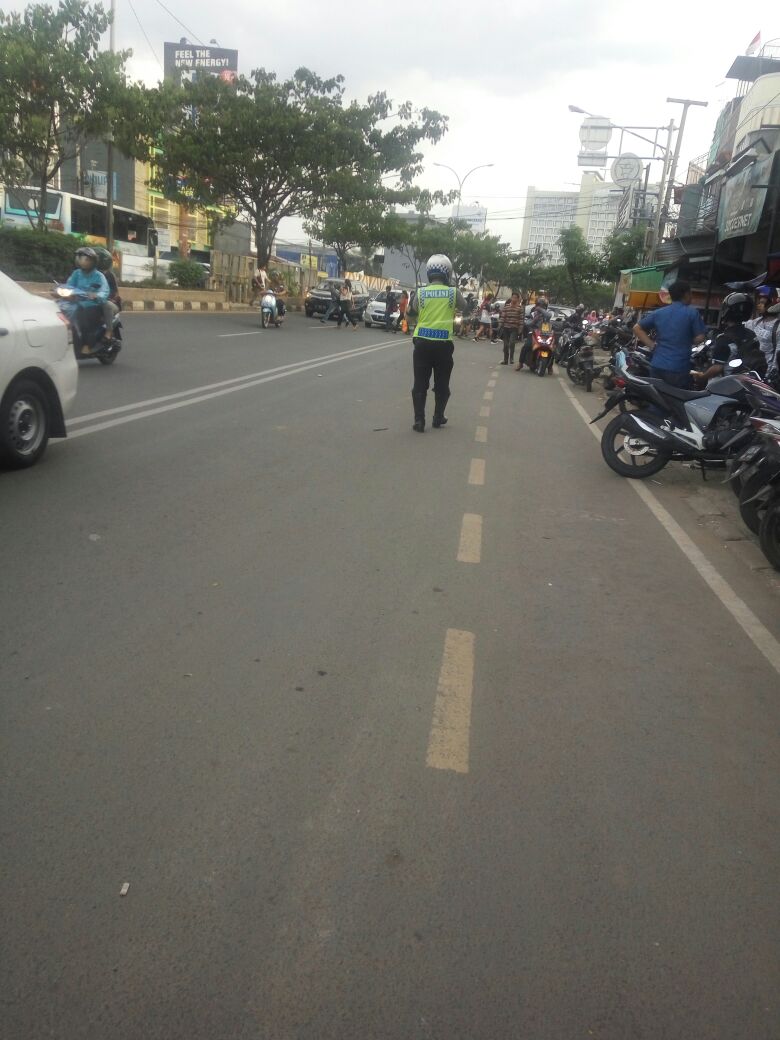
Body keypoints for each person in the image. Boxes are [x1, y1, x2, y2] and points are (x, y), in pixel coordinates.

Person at [407, 254, 467, 432]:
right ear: (447, 273)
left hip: (422, 344)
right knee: (442, 385)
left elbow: (410, 317)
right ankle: (438, 417)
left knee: (419, 384)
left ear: (429, 273)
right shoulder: (453, 292)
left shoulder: (421, 292)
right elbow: (463, 307)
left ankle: (419, 421)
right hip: (443, 346)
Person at [632, 279, 707, 390]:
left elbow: (636, 328)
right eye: (691, 293)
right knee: (676, 402)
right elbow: (700, 337)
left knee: (658, 399)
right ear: (686, 294)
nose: (691, 296)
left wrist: (652, 345)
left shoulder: (659, 313)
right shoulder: (692, 313)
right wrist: (687, 340)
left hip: (657, 365)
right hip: (678, 368)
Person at [694, 293, 764, 385]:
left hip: (722, 387)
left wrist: (702, 377)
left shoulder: (724, 338)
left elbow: (717, 368)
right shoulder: (751, 335)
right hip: (745, 386)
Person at [63, 246, 110, 355]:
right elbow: (69, 285)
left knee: (83, 319)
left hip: (92, 305)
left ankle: (86, 345)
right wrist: (62, 291)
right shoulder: (76, 274)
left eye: (86, 260)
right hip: (76, 303)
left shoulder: (99, 276)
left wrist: (96, 295)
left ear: (93, 262)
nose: (83, 262)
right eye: (81, 259)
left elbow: (104, 290)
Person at [745, 287, 780, 372]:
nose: (758, 305)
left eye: (762, 302)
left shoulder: (778, 327)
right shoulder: (755, 322)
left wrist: (772, 373)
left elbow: (778, 354)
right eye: (759, 302)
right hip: (750, 368)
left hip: (767, 372)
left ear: (773, 304)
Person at [516, 296, 552, 370]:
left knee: (552, 348)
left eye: (543, 306)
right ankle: (520, 363)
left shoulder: (548, 313)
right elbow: (528, 322)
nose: (540, 307)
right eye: (539, 305)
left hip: (546, 334)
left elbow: (549, 316)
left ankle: (550, 367)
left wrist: (540, 310)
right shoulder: (533, 313)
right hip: (534, 333)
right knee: (526, 346)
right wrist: (533, 321)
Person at [94, 246, 121, 341]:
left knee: (106, 305)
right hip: (91, 301)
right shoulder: (84, 273)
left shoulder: (109, 275)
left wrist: (105, 297)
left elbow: (115, 292)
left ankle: (108, 331)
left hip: (109, 302)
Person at [497, 291, 524, 365]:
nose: (514, 299)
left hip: (514, 328)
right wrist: (500, 325)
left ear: (518, 299)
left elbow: (521, 319)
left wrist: (520, 328)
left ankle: (511, 358)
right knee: (505, 345)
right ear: (511, 298)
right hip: (506, 328)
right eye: (513, 297)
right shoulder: (506, 307)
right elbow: (503, 317)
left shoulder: (520, 308)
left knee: (512, 343)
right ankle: (505, 360)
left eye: (515, 298)